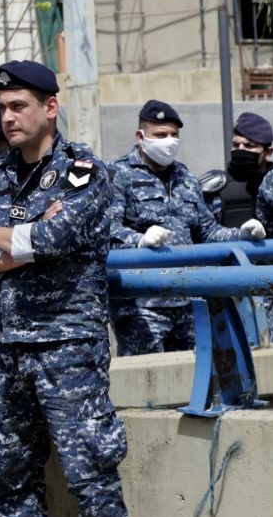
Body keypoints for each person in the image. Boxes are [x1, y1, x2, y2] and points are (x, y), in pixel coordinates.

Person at [0, 60, 130, 517]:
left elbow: (60, 235)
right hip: (10, 348)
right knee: (9, 475)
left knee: (90, 473)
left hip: (69, 346)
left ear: (50, 108)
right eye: (2, 107)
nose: (8, 117)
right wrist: (21, 243)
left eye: (19, 106)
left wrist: (3, 245)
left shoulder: (84, 172)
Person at [106, 100, 262, 356]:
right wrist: (140, 240)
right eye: (161, 135)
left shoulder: (185, 177)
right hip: (142, 305)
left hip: (188, 298)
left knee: (195, 379)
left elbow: (207, 232)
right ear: (140, 136)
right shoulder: (117, 174)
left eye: (174, 135)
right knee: (150, 383)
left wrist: (242, 234)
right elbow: (107, 229)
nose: (169, 141)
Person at [203, 112, 273, 226]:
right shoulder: (214, 186)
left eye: (249, 145)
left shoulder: (271, 183)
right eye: (236, 145)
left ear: (268, 152)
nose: (240, 150)